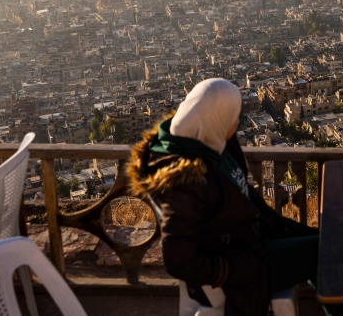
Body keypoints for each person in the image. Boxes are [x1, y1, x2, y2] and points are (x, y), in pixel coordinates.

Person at [129, 78, 319, 316]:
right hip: (245, 262)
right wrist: (233, 270)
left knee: (325, 241)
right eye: (232, 115)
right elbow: (177, 259)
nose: (237, 122)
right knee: (328, 253)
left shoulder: (210, 141)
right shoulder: (184, 179)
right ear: (214, 117)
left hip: (253, 240)